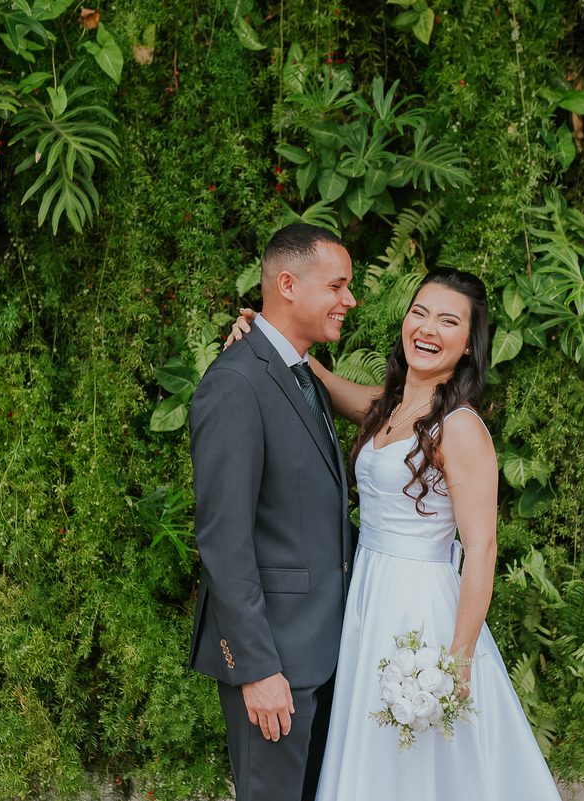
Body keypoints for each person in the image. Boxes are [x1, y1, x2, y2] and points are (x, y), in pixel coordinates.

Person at [227, 268, 561, 800]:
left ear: (469, 346)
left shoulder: (461, 428)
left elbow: (482, 550)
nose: (427, 329)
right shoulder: (389, 406)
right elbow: (317, 378)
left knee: (418, 761)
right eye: (420, 312)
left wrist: (458, 660)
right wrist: (267, 335)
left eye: (448, 321)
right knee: (368, 745)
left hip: (419, 605)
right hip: (367, 594)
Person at [187, 222, 358, 801]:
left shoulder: (300, 374)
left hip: (322, 656)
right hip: (275, 665)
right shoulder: (235, 383)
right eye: (338, 286)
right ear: (287, 283)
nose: (349, 301)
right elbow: (223, 542)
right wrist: (258, 669)